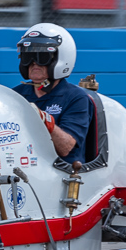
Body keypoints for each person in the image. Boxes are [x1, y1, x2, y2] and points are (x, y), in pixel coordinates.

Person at [12, 23, 91, 164]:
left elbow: (66, 147)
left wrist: (44, 120)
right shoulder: (15, 95)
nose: (34, 63)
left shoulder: (76, 98)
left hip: (63, 175)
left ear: (60, 59)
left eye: (42, 56)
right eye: (28, 56)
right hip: (23, 170)